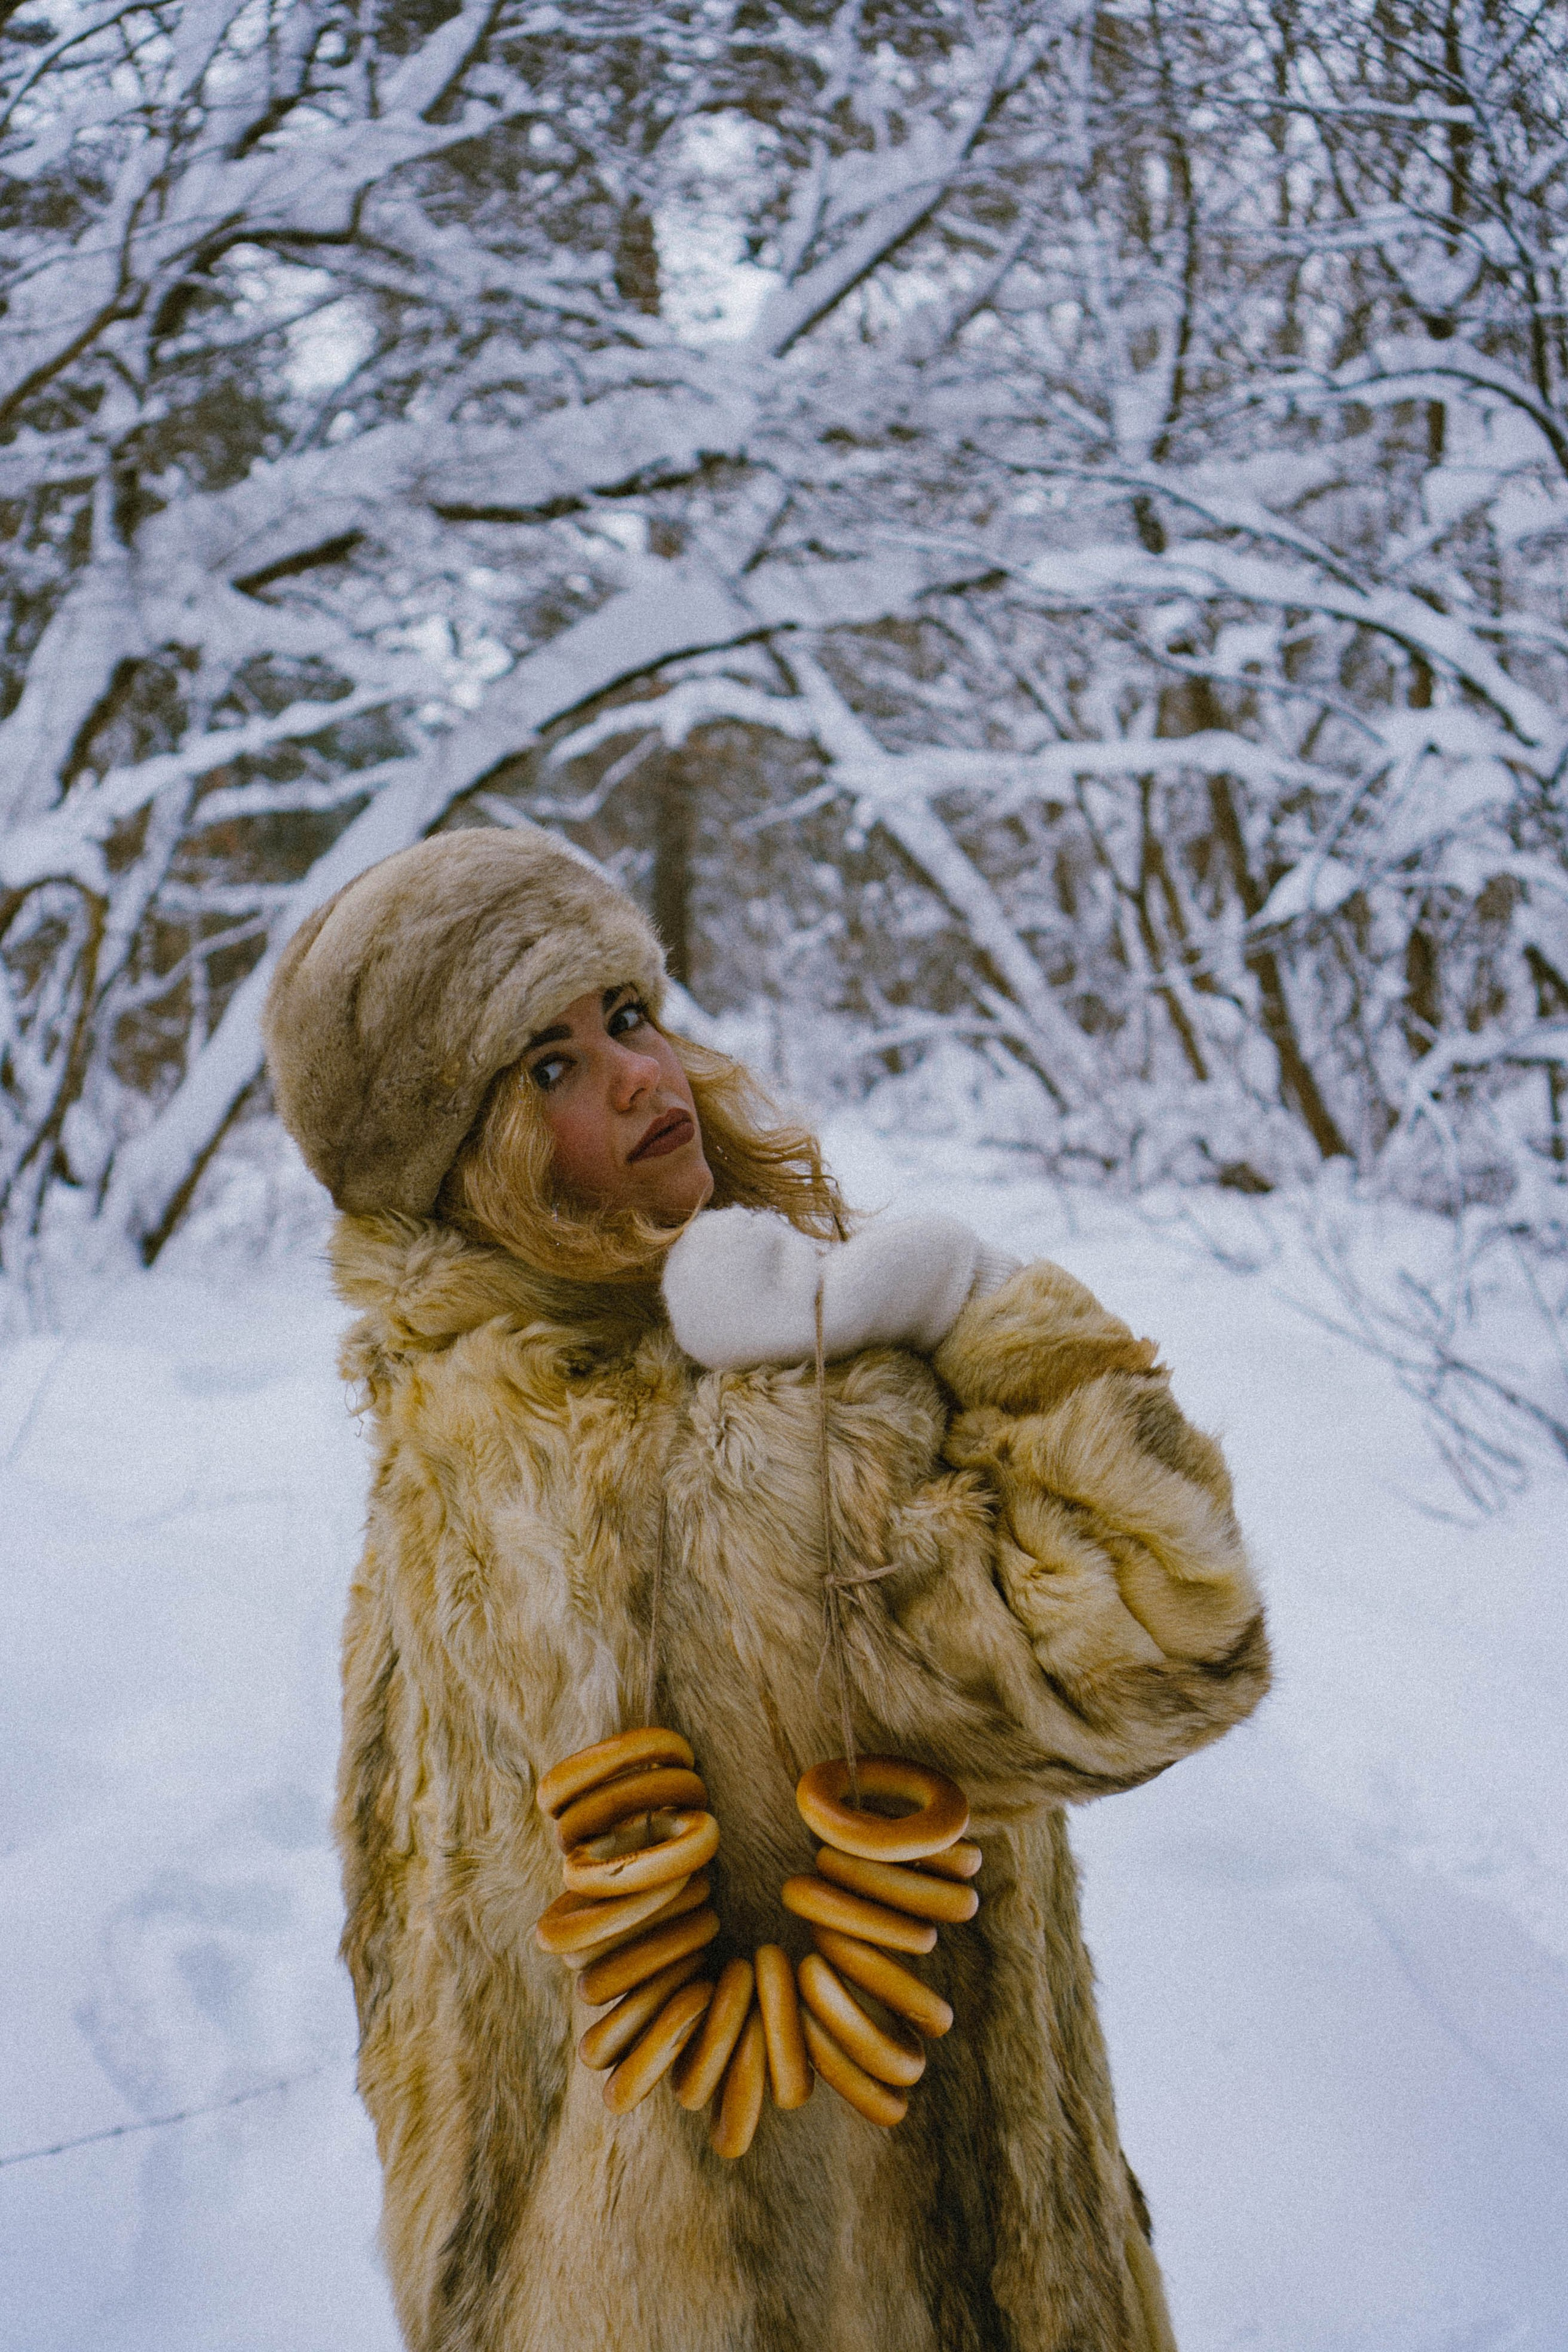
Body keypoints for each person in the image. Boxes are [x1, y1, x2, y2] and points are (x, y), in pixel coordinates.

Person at [262, 823, 1270, 2352]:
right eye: (544, 1069)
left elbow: (426, 1998)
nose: (640, 1080)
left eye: (626, 1015)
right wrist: (969, 1302)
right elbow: (1172, 1625)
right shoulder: (752, 1441)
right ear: (458, 1161)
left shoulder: (442, 1449)